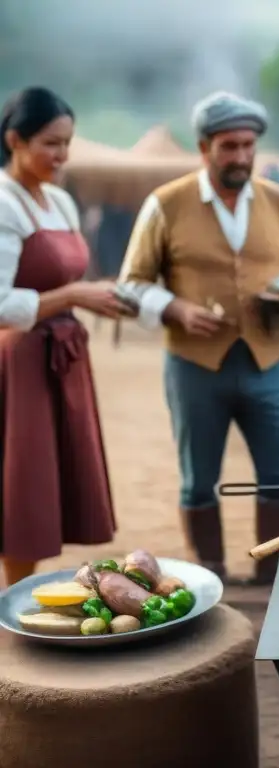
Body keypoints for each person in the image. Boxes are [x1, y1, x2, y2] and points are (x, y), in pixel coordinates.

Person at [119, 91, 279, 585]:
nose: (241, 157)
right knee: (197, 479)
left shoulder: (278, 201)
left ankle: (273, 575)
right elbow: (131, 283)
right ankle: (211, 573)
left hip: (269, 361)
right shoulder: (165, 204)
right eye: (229, 146)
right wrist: (175, 307)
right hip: (194, 367)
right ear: (204, 145)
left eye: (248, 146)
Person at [0, 87, 121, 586]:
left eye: (68, 143)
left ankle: (25, 595)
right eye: (51, 143)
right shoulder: (3, 203)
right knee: (22, 484)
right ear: (14, 140)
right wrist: (74, 296)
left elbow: (72, 281)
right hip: (20, 361)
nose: (62, 155)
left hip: (63, 357)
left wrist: (101, 295)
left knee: (50, 481)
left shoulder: (61, 202)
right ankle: (13, 601)